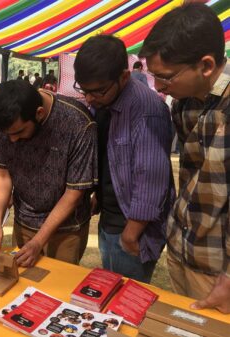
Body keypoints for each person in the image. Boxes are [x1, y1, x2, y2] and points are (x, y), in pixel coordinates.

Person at [140, 2, 230, 313]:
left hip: (218, 269)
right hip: (181, 248)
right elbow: (191, 178)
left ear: (206, 65)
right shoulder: (183, 102)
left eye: (165, 77)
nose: (160, 88)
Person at [74, 35, 174, 283]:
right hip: (110, 217)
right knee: (110, 289)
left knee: (126, 301)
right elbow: (113, 160)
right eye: (84, 90)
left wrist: (131, 234)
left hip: (131, 228)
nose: (89, 98)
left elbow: (152, 179)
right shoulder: (105, 101)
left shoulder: (147, 110)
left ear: (124, 77)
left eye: (97, 91)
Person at [0, 80, 97, 267]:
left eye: (19, 132)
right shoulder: (5, 121)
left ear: (39, 113)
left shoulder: (78, 124)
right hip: (24, 222)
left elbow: (74, 193)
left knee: (57, 289)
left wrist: (39, 241)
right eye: (7, 134)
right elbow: (2, 175)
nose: (12, 140)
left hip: (66, 230)